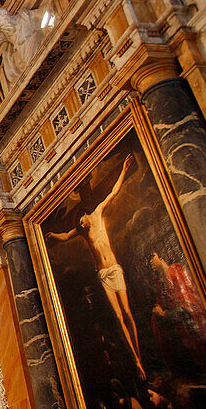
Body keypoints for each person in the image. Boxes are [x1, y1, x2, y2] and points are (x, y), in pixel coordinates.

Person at [46, 155, 143, 377]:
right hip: (103, 273)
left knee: (127, 312)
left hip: (114, 268)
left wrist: (124, 170)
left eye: (81, 219)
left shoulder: (97, 215)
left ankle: (138, 351)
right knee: (118, 317)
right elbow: (65, 236)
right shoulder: (82, 231)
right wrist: (51, 236)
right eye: (78, 221)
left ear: (86, 215)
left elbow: (113, 193)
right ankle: (136, 359)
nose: (80, 222)